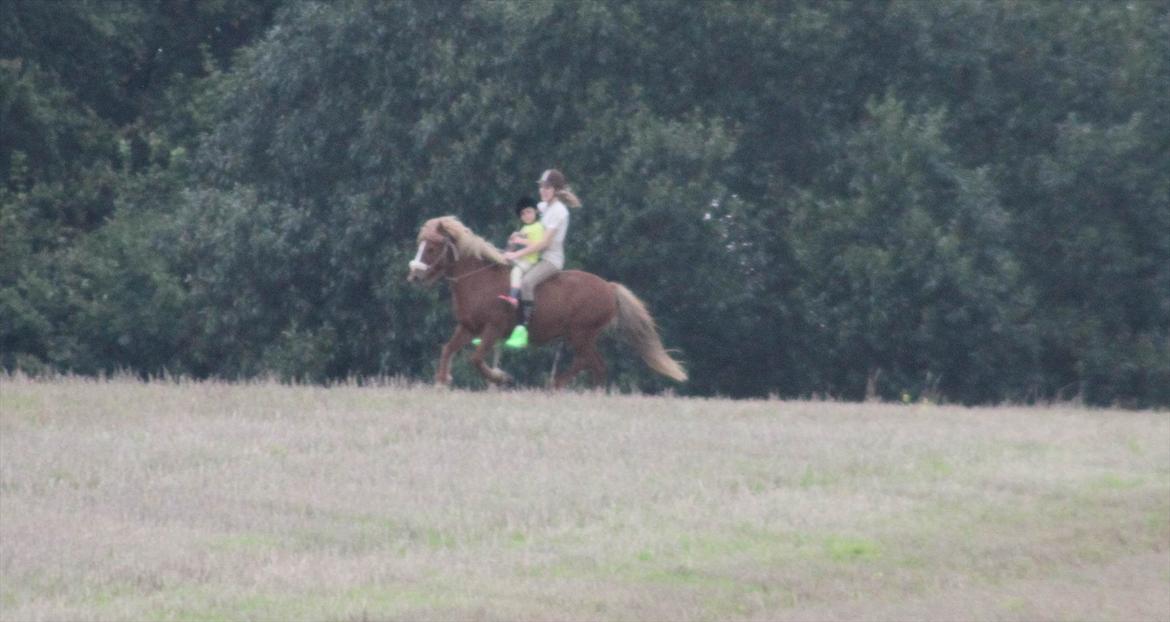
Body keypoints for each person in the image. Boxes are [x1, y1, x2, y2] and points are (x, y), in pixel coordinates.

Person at [502, 168, 582, 349]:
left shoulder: (559, 212)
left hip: (549, 260)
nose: (542, 191)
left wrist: (517, 254)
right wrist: (516, 237)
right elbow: (529, 226)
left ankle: (523, 329)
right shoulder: (543, 207)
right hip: (533, 256)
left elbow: (544, 244)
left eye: (547, 187)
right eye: (541, 187)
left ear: (557, 190)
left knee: (527, 283)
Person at [498, 196, 545, 308]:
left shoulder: (538, 227)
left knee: (516, 271)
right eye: (523, 214)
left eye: (529, 212)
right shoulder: (524, 228)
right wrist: (512, 241)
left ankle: (513, 296)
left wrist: (520, 240)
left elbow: (537, 244)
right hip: (521, 257)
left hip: (530, 260)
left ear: (535, 211)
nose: (526, 216)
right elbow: (514, 246)